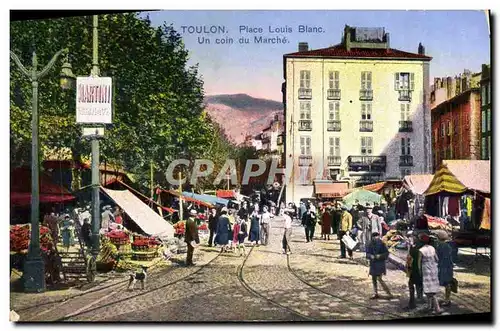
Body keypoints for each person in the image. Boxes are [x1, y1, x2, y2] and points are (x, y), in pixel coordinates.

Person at [418, 233, 442, 314]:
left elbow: (419, 263)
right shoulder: (432, 248)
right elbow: (437, 259)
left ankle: (437, 308)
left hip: (426, 270)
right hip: (434, 269)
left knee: (430, 290)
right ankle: (429, 306)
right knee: (431, 289)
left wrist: (419, 271)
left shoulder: (421, 250)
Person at [366, 232, 393, 299]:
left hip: (380, 264)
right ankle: (375, 293)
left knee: (379, 279)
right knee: (373, 279)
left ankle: (389, 293)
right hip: (373, 264)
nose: (376, 238)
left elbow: (386, 253)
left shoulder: (382, 244)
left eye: (377, 236)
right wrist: (370, 256)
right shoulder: (370, 244)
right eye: (374, 237)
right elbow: (367, 254)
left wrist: (379, 256)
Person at [436, 230, 454, 307]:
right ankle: (447, 298)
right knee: (448, 283)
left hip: (443, 266)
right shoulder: (448, 246)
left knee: (445, 283)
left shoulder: (440, 246)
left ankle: (446, 300)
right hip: (449, 266)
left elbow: (437, 257)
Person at [405, 233, 424, 310]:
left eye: (412, 237)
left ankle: (412, 303)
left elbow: (409, 260)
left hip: (415, 270)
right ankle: (420, 299)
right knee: (420, 285)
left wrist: (408, 270)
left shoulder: (413, 248)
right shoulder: (424, 247)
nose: (411, 238)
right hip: (424, 270)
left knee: (411, 284)